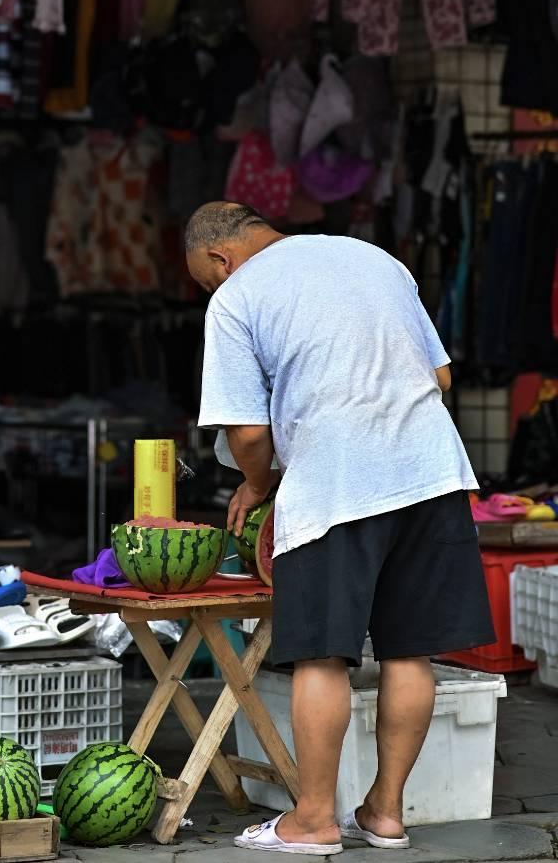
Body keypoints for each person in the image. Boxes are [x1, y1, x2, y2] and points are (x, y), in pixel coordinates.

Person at [185, 201, 493, 856]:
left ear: (221, 259)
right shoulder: (372, 258)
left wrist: (260, 484)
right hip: (431, 471)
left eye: (208, 281)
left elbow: (246, 433)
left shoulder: (239, 296)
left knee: (320, 653)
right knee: (410, 649)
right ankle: (385, 812)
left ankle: (315, 819)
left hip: (335, 482)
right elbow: (438, 375)